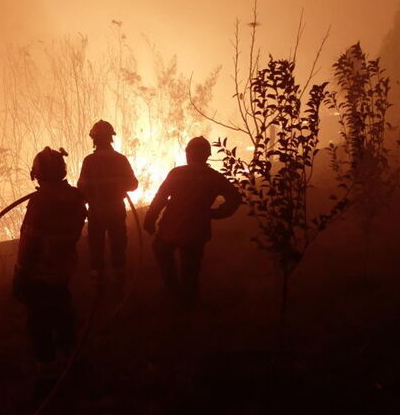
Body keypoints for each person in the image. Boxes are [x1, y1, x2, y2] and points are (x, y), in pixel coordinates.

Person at [13, 147, 87, 372]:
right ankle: (70, 358)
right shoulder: (76, 197)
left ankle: (47, 370)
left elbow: (29, 242)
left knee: (39, 323)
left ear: (37, 174)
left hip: (39, 274)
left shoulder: (39, 202)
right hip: (63, 268)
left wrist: (19, 273)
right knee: (64, 313)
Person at [144, 136, 242, 302]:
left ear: (188, 154)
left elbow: (160, 198)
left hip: (171, 228)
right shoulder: (214, 177)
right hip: (197, 230)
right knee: (190, 267)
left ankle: (173, 291)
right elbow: (235, 198)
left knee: (162, 251)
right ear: (207, 155)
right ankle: (188, 301)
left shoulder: (177, 174)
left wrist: (150, 219)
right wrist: (215, 213)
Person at [77, 120, 139, 280]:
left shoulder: (89, 161)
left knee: (96, 246)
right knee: (118, 244)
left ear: (94, 139)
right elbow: (133, 185)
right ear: (111, 138)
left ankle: (98, 280)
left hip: (96, 212)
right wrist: (118, 187)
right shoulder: (120, 159)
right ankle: (120, 276)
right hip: (116, 210)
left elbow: (81, 189)